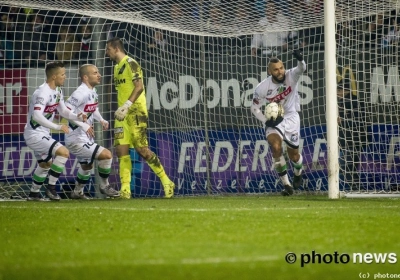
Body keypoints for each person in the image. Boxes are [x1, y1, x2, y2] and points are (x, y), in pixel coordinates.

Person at [105, 37, 175, 199]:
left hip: (136, 112)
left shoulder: (131, 63)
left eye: (108, 49)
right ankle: (125, 190)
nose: (106, 52)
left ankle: (167, 182)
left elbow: (139, 86)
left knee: (142, 150)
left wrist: (126, 105)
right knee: (121, 150)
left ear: (116, 48)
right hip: (121, 115)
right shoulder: (116, 68)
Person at [24, 61, 87, 201]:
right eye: (63, 74)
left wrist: (77, 116)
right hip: (34, 134)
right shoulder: (42, 92)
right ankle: (51, 189)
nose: (65, 77)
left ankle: (34, 193)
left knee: (45, 164)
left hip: (43, 134)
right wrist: (58, 127)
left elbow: (64, 111)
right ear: (53, 76)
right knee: (63, 152)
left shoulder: (58, 90)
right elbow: (37, 115)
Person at [251, 50, 306, 196]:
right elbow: (255, 108)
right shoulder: (262, 87)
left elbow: (302, 68)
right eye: (276, 69)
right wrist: (266, 121)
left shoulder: (291, 75)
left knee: (294, 156)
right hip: (274, 121)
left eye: (281, 68)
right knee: (275, 148)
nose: (280, 71)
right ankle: (287, 185)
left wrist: (300, 60)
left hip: (291, 117)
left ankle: (298, 172)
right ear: (270, 71)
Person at [64, 64, 120, 199]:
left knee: (87, 166)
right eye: (95, 73)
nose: (99, 75)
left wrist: (101, 120)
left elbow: (93, 108)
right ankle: (104, 185)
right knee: (107, 155)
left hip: (85, 137)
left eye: (98, 72)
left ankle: (77, 192)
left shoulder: (92, 91)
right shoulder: (80, 92)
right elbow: (65, 111)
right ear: (85, 77)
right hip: (76, 138)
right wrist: (83, 126)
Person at [337, 79, 365, 190]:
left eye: (339, 90)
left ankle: (356, 188)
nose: (337, 93)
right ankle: (357, 188)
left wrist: (341, 120)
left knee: (345, 165)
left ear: (346, 90)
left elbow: (358, 121)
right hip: (349, 140)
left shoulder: (352, 102)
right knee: (351, 166)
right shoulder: (342, 102)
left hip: (353, 139)